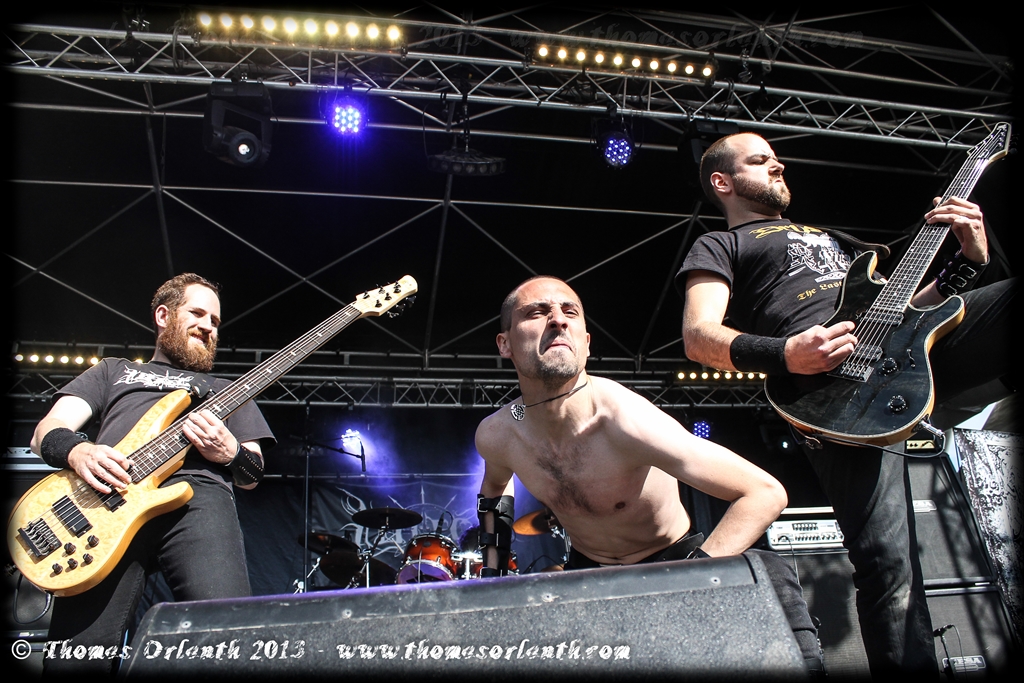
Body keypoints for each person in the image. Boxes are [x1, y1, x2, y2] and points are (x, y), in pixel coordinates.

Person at [676, 132, 1015, 675]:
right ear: (723, 182)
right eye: (760, 161)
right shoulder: (720, 245)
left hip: (900, 352)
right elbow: (699, 336)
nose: (777, 166)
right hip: (829, 391)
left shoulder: (839, 240)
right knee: (890, 565)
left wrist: (968, 260)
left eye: (777, 159)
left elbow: (907, 308)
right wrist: (787, 354)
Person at [474, 275, 823, 673]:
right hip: (590, 574)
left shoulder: (623, 419)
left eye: (570, 311)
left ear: (586, 342)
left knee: (771, 583)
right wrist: (492, 577)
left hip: (674, 561)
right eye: (537, 312)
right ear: (504, 344)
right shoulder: (499, 434)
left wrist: (692, 579)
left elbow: (764, 492)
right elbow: (494, 492)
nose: (558, 319)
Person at [29, 273, 276, 676]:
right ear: (164, 316)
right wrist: (80, 451)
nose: (209, 327)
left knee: (228, 638)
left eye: (215, 321)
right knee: (76, 655)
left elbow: (252, 473)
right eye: (198, 314)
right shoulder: (114, 371)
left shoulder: (228, 389)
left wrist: (229, 451)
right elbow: (45, 432)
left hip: (198, 500)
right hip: (105, 503)